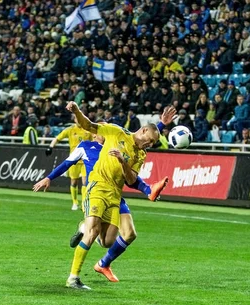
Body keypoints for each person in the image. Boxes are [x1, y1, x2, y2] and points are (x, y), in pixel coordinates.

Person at [56, 102, 175, 289]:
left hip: (115, 193)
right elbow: (88, 125)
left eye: (152, 143)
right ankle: (73, 278)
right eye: (149, 141)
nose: (149, 145)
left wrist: (122, 161)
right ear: (143, 130)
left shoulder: (140, 154)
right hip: (97, 185)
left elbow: (130, 179)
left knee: (107, 241)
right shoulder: (115, 132)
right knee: (93, 230)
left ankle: (93, 244)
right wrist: (77, 111)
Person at [46, 118, 93, 211]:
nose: (79, 120)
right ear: (75, 119)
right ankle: (75, 202)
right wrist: (50, 147)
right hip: (74, 160)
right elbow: (57, 138)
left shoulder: (88, 131)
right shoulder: (70, 129)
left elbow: (95, 141)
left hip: (85, 160)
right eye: (77, 118)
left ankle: (84, 203)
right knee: (74, 181)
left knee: (85, 181)